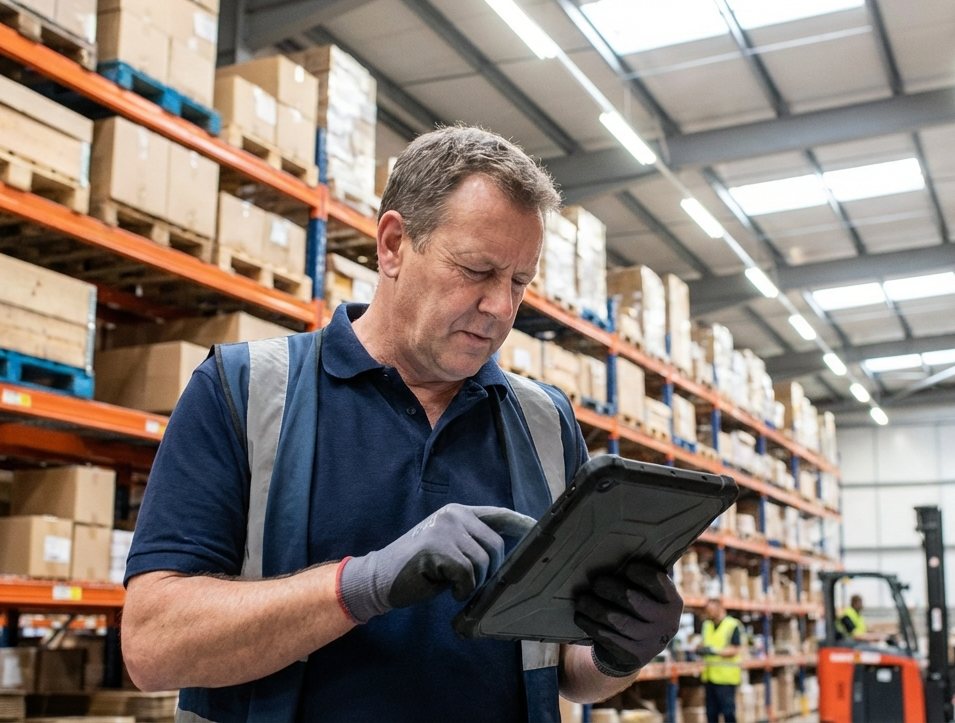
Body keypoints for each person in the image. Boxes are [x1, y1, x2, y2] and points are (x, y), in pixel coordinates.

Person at [120, 126, 685, 722]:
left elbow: (564, 666)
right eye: (474, 270)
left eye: (519, 282)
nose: (500, 307)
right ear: (392, 244)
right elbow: (154, 646)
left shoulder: (546, 424)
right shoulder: (246, 391)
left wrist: (617, 651)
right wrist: (361, 584)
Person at [695, 598, 744, 723]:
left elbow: (735, 648)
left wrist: (714, 651)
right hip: (709, 676)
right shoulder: (707, 625)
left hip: (726, 678)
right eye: (708, 610)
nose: (709, 613)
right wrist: (699, 649)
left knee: (728, 712)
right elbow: (704, 643)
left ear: (720, 609)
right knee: (711, 714)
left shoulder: (732, 625)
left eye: (711, 610)